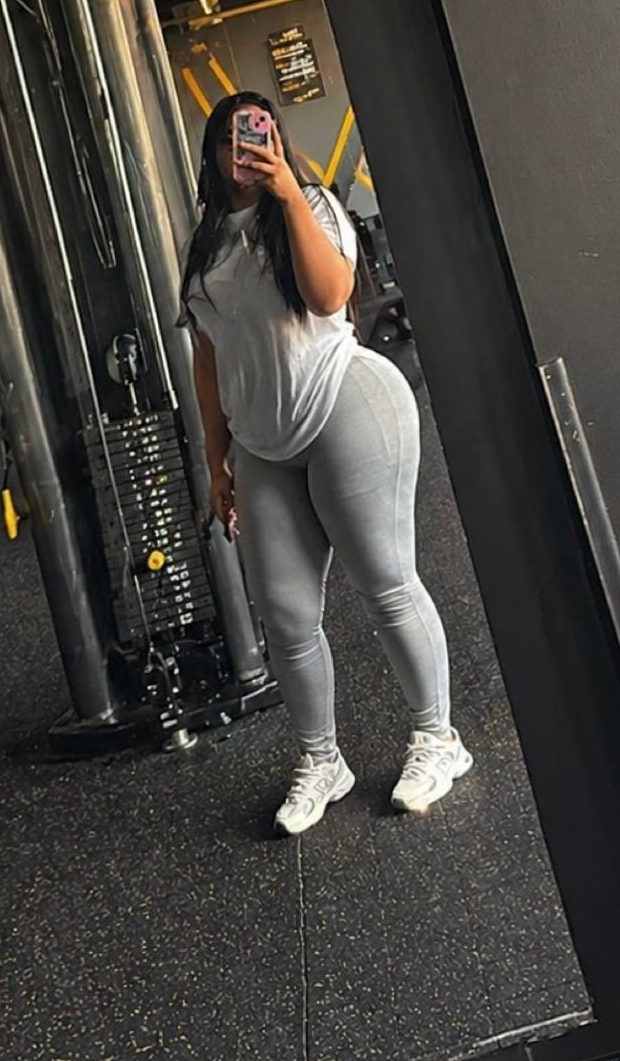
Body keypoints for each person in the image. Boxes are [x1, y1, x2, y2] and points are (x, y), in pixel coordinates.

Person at [178, 91, 471, 836]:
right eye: (231, 140)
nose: (244, 150)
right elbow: (208, 357)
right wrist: (216, 458)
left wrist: (284, 190)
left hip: (345, 405)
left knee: (386, 584)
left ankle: (438, 738)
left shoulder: (308, 205)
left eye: (258, 135)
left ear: (276, 141)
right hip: (260, 442)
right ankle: (321, 760)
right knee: (284, 616)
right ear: (212, 153)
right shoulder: (203, 244)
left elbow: (331, 292)